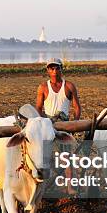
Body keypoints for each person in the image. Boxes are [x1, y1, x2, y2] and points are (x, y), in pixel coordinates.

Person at [35, 58, 81, 195]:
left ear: (61, 69)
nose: (54, 71)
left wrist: (75, 123)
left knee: (67, 157)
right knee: (43, 156)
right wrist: (43, 121)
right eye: (51, 68)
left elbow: (77, 107)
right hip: (48, 124)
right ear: (48, 70)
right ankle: (40, 186)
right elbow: (38, 108)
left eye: (57, 68)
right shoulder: (43, 87)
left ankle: (69, 186)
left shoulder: (69, 86)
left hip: (65, 124)